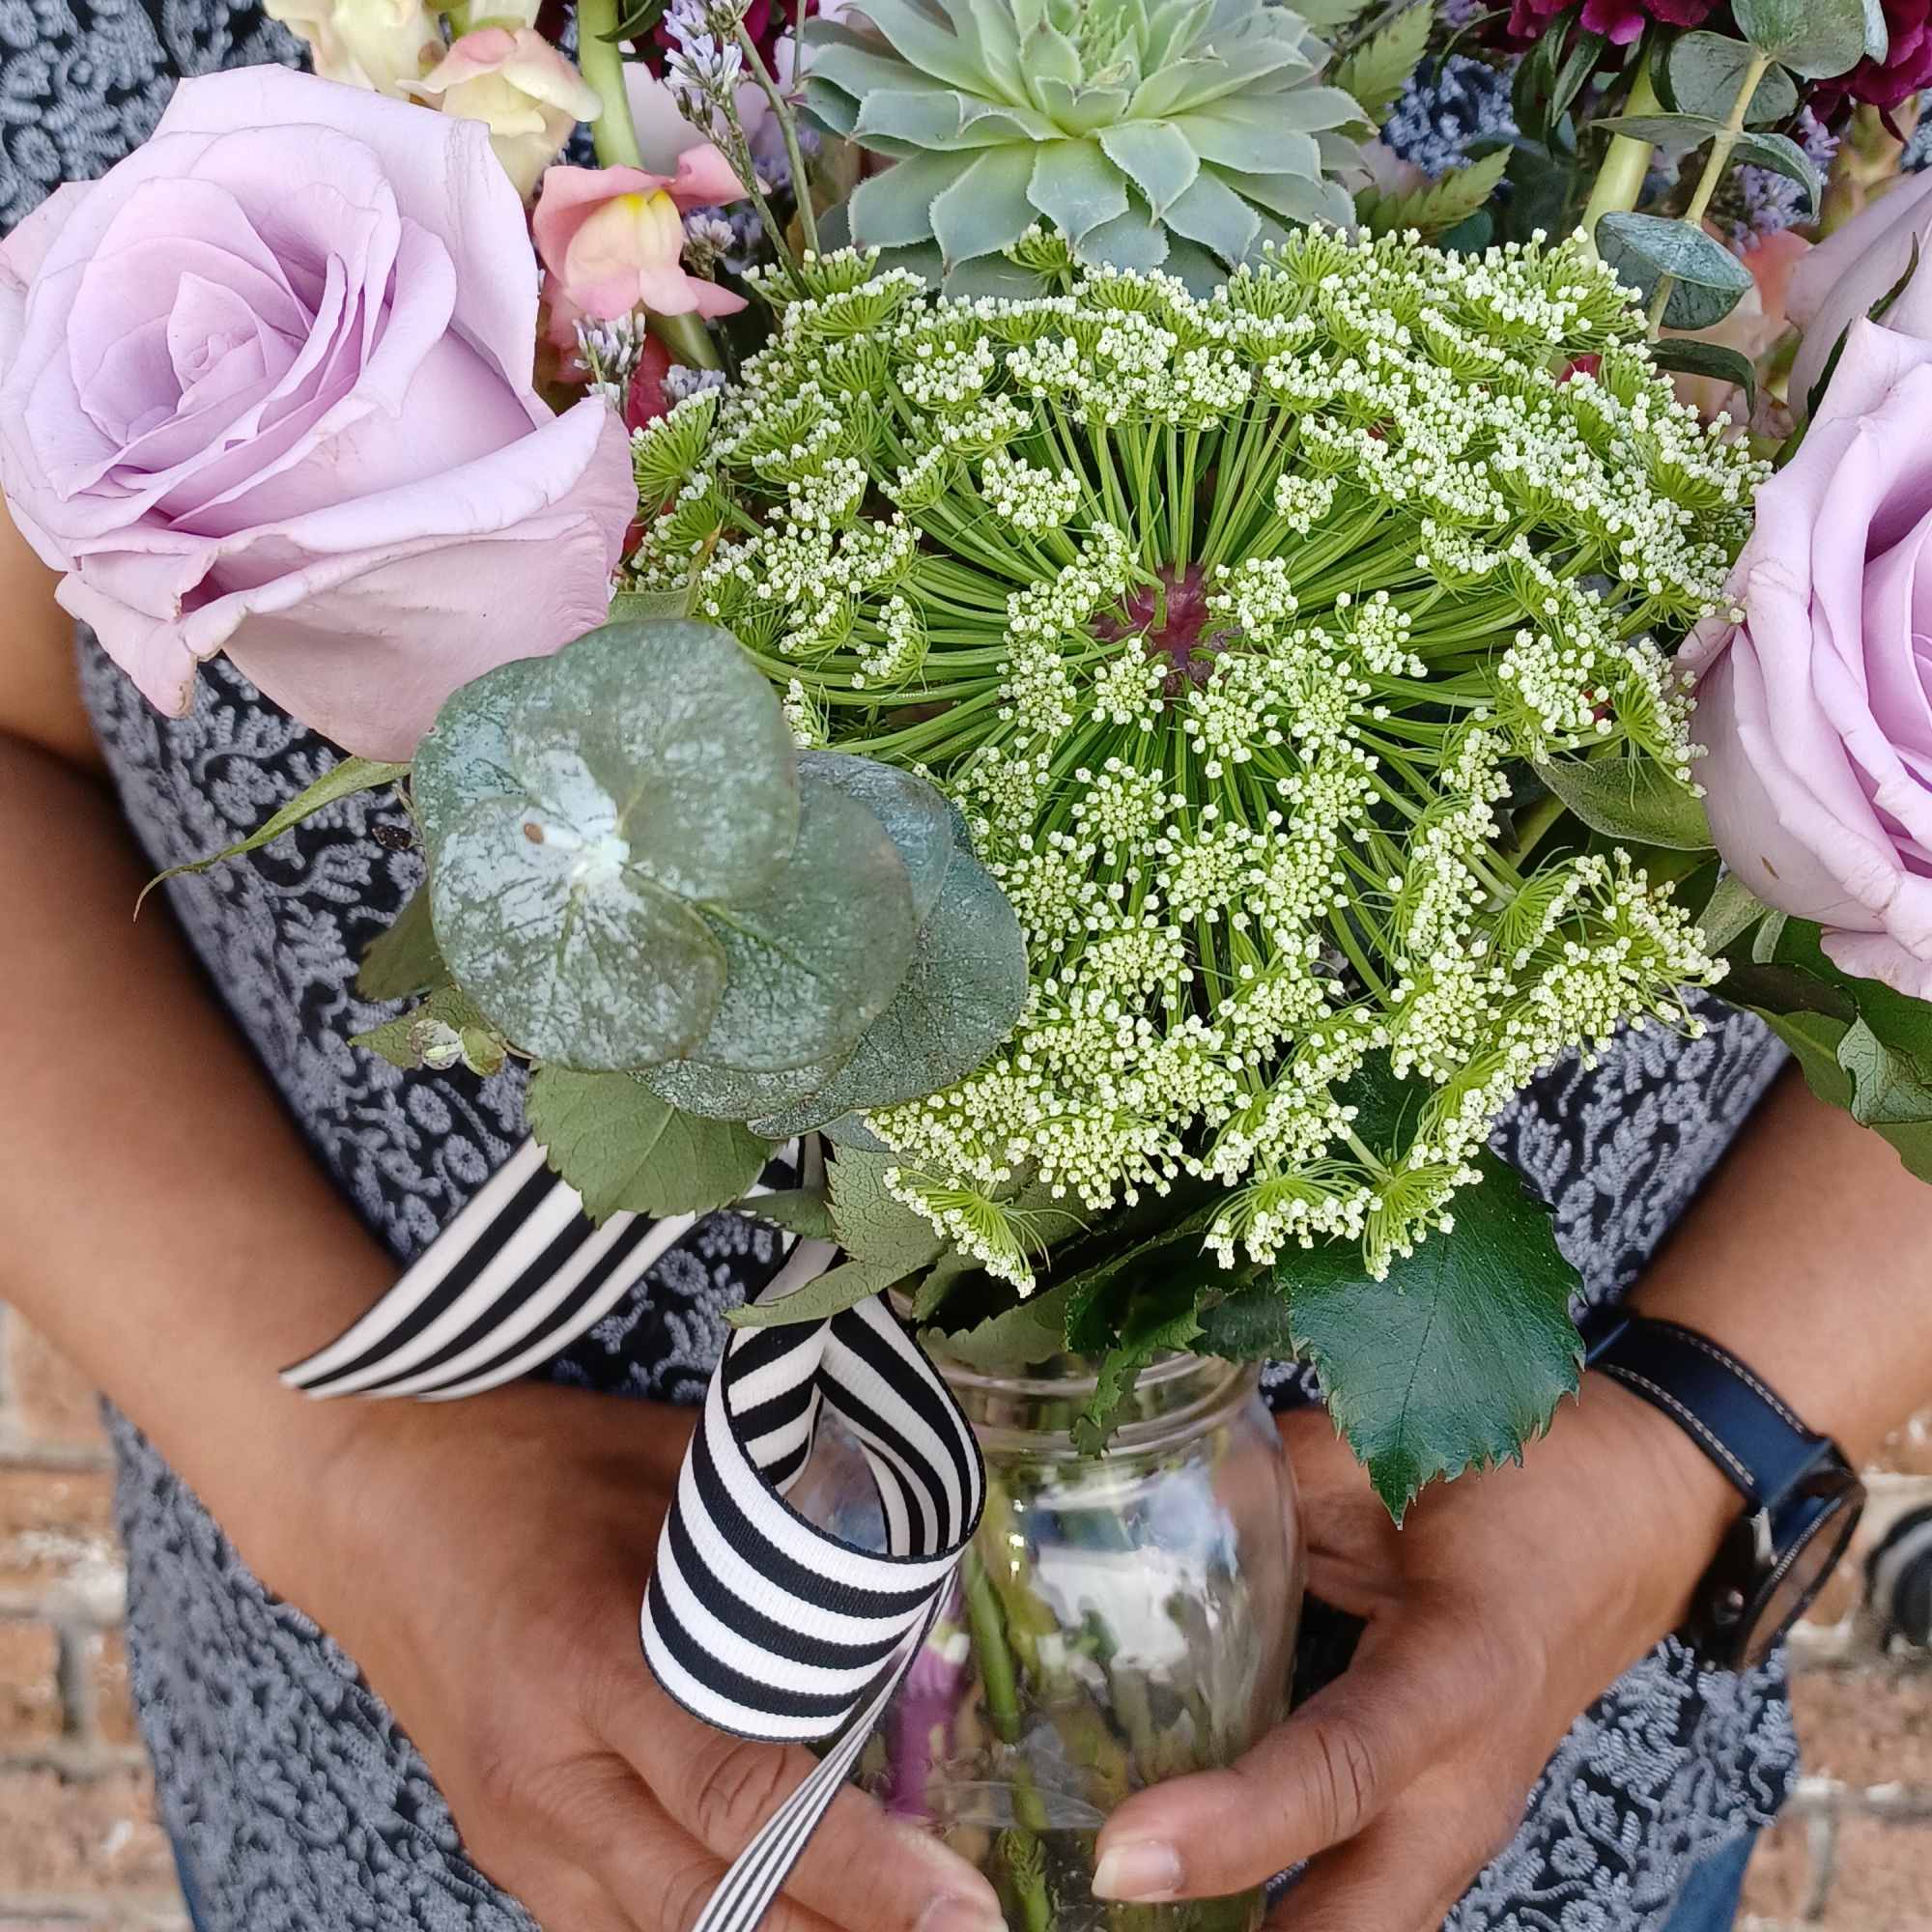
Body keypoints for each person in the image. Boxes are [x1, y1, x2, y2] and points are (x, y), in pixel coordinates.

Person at [5, 12, 1932, 1932]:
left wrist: (1685, 1451)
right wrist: (343, 1473)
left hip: (1516, 1727)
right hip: (402, 1720)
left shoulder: (1732, 92)